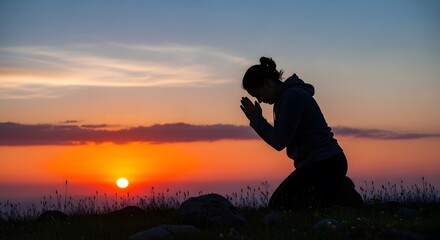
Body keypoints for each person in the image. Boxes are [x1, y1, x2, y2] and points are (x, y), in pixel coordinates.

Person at [240, 57, 363, 210]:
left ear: (268, 83)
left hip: (325, 162)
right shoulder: (284, 98)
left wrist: (257, 120)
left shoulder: (292, 96)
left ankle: (342, 193)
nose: (260, 100)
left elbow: (279, 141)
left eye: (258, 94)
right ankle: (334, 189)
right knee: (281, 203)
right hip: (318, 163)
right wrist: (258, 121)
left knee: (280, 204)